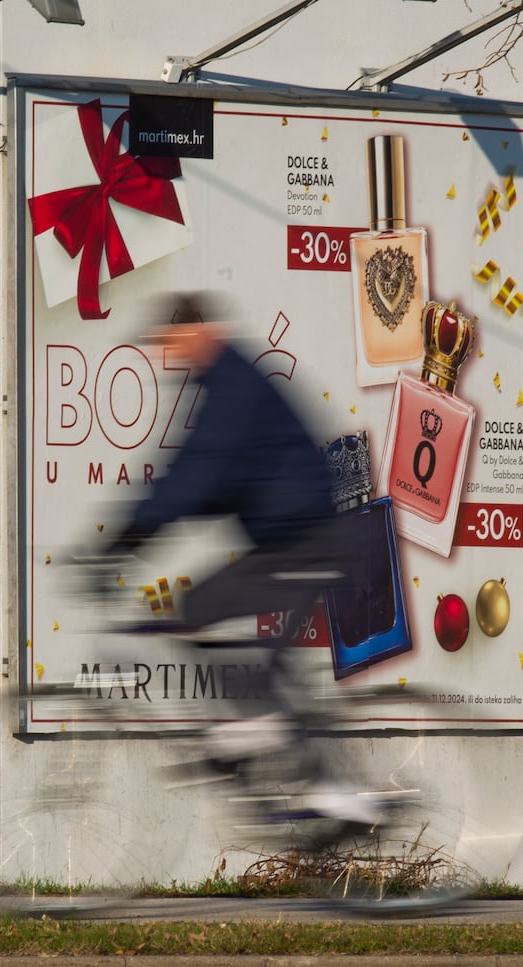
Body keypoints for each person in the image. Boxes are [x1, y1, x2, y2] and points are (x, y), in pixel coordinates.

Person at [102, 291, 369, 824]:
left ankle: (333, 785)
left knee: (210, 618)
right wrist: (144, 532)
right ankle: (245, 737)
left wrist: (125, 541)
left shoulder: (233, 386)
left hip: (308, 542)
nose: (164, 354)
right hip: (292, 540)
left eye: (168, 341)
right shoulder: (229, 380)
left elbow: (197, 474)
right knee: (204, 613)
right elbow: (212, 485)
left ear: (197, 332)